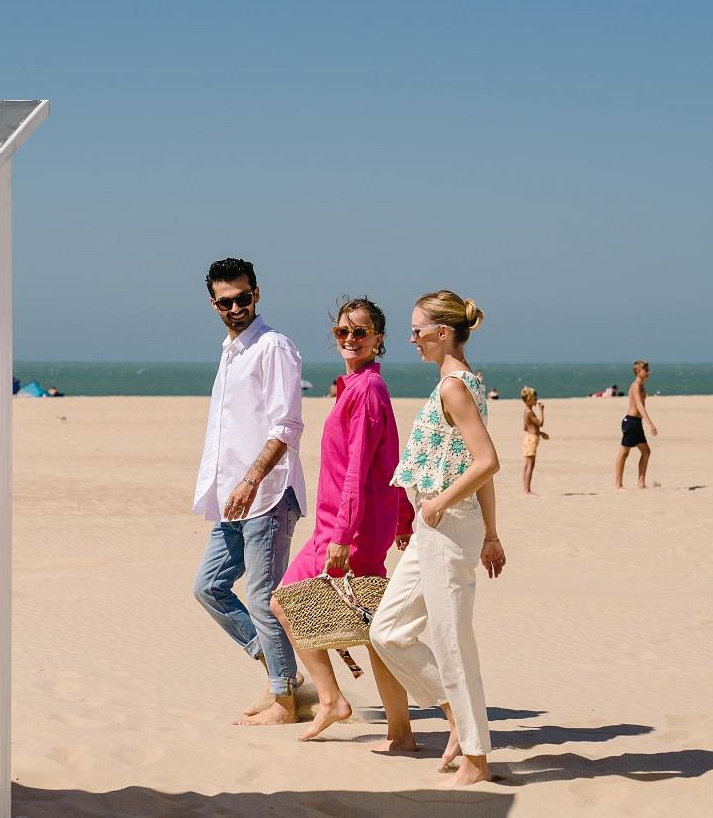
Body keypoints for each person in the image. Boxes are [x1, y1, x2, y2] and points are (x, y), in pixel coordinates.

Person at [370, 290, 506, 787]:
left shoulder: (455, 387)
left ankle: (476, 757)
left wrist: (439, 503)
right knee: (388, 630)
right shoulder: (463, 383)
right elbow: (481, 468)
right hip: (438, 526)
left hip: (446, 525)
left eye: (418, 329)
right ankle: (455, 719)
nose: (412, 338)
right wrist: (492, 534)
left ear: (442, 332)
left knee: (453, 643)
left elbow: (487, 461)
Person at [267, 298, 417, 744]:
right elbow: (390, 462)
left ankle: (332, 699)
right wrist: (403, 520)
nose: (350, 339)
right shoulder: (358, 386)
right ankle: (401, 731)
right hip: (355, 526)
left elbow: (358, 467)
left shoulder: (367, 391)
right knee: (374, 631)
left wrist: (342, 536)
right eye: (342, 332)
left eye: (361, 332)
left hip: (345, 529)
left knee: (284, 601)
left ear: (379, 339)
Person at [189, 257, 308, 723]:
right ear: (213, 303)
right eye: (226, 301)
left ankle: (284, 702)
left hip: (268, 495)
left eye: (243, 298)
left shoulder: (273, 347)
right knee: (209, 587)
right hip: (231, 500)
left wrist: (251, 479)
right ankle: (282, 674)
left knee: (263, 598)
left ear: (257, 293)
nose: (236, 307)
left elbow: (287, 424)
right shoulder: (231, 350)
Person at [615, 360, 657, 490]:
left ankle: (641, 483)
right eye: (646, 370)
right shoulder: (636, 386)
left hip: (637, 423)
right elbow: (639, 405)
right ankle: (618, 484)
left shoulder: (641, 385)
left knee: (646, 451)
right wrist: (650, 424)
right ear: (638, 372)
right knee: (624, 453)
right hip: (631, 422)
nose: (648, 372)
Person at [520, 386, 548, 494]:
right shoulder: (529, 412)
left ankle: (526, 488)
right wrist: (542, 411)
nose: (536, 400)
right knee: (530, 465)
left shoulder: (526, 411)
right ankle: (527, 489)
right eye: (535, 398)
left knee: (527, 464)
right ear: (529, 399)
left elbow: (526, 427)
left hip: (529, 438)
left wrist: (540, 433)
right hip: (531, 440)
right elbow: (540, 423)